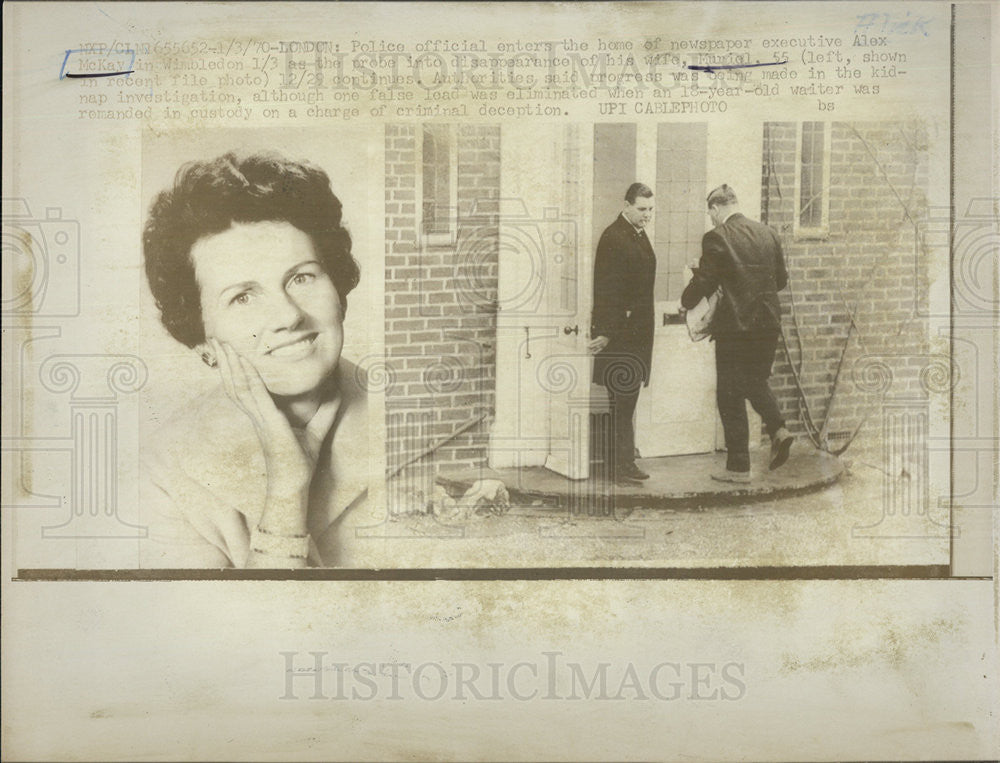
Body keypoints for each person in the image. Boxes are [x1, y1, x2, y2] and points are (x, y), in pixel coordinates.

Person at [139, 151, 368, 568]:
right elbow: (240, 632)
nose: (288, 315)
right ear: (203, 344)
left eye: (302, 277)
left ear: (337, 287)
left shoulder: (421, 425)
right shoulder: (168, 469)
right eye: (243, 297)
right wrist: (286, 490)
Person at [680, 184, 793, 483]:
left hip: (735, 328)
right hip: (767, 325)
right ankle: (778, 427)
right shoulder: (768, 233)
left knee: (729, 394)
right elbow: (780, 280)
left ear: (716, 209)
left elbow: (706, 281)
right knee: (754, 380)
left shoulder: (717, 237)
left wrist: (686, 300)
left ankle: (739, 467)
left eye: (710, 213)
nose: (711, 219)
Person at [589, 183, 657, 485]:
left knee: (627, 399)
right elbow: (604, 289)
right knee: (622, 398)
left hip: (637, 333)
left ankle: (623, 461)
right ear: (626, 205)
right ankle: (621, 465)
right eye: (642, 209)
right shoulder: (613, 237)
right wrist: (604, 332)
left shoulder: (637, 236)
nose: (647, 215)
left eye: (650, 210)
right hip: (621, 334)